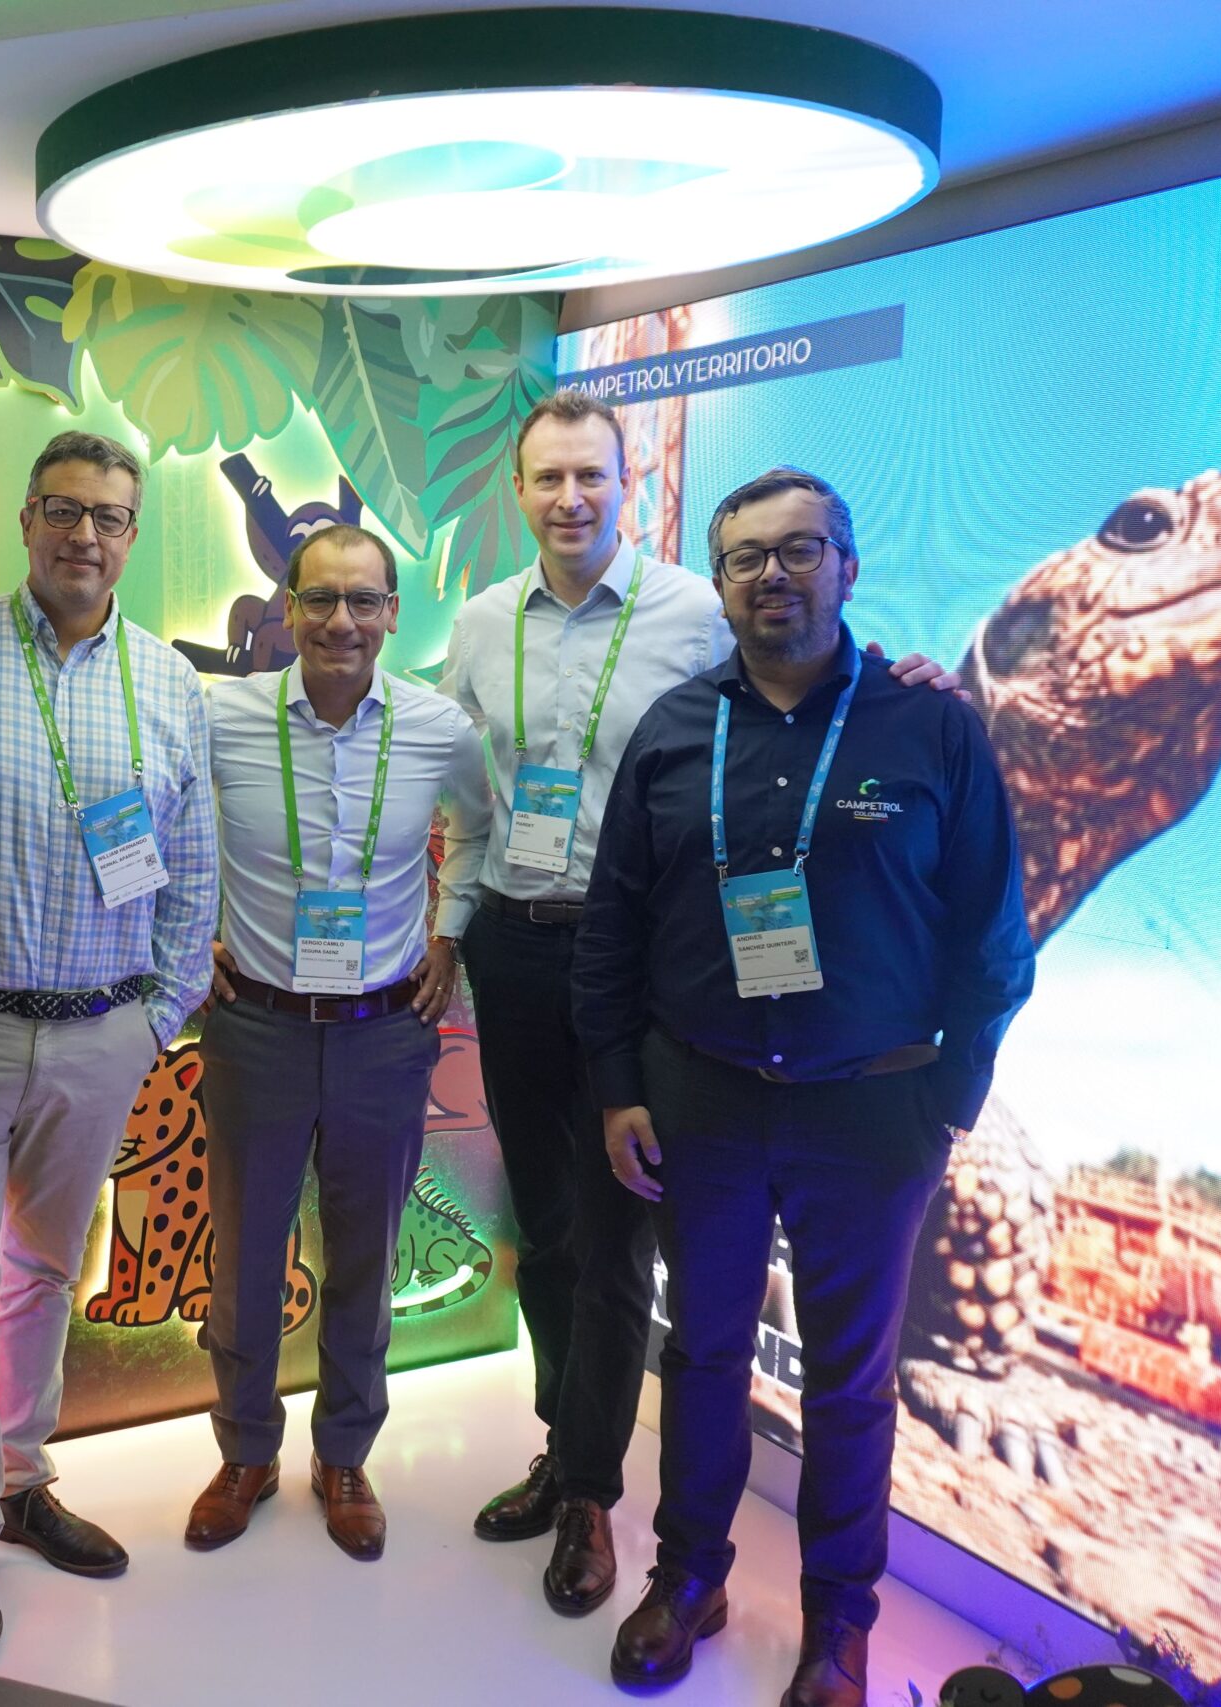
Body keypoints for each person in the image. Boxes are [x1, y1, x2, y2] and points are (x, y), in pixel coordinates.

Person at [438, 391, 960, 1617]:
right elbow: (470, 789)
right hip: (519, 945)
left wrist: (911, 672)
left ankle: (591, 1497)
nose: (570, 497)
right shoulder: (476, 624)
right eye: (547, 477)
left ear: (628, 488)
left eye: (591, 476)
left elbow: (808, 680)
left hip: (653, 966)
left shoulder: (695, 605)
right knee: (547, 1226)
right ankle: (562, 1447)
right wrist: (452, 928)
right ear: (519, 492)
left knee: (618, 1238)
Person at [573, 467, 1034, 1706]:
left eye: (799, 549)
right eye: (746, 557)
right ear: (719, 583)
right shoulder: (674, 730)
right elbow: (613, 928)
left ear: (846, 566)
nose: (772, 574)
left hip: (872, 1113)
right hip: (704, 1100)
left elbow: (992, 941)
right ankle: (689, 1576)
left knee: (850, 1382)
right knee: (703, 1355)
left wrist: (949, 1102)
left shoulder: (931, 730)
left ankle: (839, 1621)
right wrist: (619, 1086)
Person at [0, 430, 218, 1656]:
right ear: (25, 522)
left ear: (132, 536)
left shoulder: (167, 681)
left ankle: (20, 1479)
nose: (85, 535)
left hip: (97, 1034)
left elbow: (191, 871)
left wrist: (153, 1019)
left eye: (109, 517)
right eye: (63, 511)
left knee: (41, 1273)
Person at [181, 524, 492, 1562]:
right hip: (256, 1029)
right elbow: (159, 820)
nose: (341, 621)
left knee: (366, 1259)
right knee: (243, 1262)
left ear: (392, 613)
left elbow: (481, 828)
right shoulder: (220, 717)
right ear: (289, 609)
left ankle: (345, 1455)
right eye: (320, 598)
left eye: (364, 600)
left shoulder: (436, 727)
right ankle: (245, 1452)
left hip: (382, 1035)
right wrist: (185, 938)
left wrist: (449, 933)